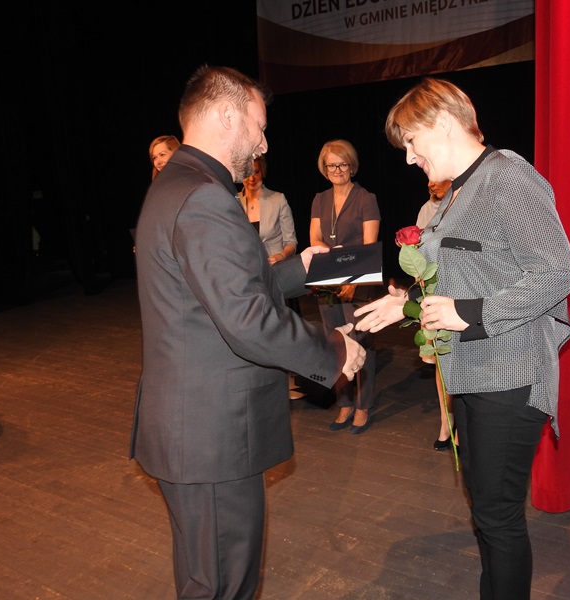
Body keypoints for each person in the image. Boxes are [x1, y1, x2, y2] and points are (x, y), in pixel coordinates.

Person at [131, 65, 366, 600]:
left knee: (206, 580)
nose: (263, 143)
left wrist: (301, 268)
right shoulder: (205, 197)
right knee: (222, 586)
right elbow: (245, 320)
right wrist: (334, 349)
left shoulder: (178, 185)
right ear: (225, 115)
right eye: (258, 127)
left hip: (193, 430)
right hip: (212, 435)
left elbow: (213, 297)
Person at [353, 77, 570, 600]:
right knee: (488, 516)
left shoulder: (507, 176)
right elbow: (461, 277)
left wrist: (469, 313)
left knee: (498, 518)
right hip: (473, 374)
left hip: (511, 375)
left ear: (443, 123)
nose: (409, 158)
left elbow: (557, 272)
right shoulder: (457, 192)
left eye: (412, 141)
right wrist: (405, 304)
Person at [309, 139, 381, 434]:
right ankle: (345, 403)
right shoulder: (320, 198)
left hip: (357, 282)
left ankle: (363, 405)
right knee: (335, 342)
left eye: (342, 164)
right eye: (331, 165)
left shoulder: (366, 198)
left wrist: (351, 278)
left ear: (352, 166)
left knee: (361, 342)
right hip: (328, 282)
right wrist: (336, 271)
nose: (337, 170)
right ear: (324, 169)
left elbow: (369, 244)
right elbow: (315, 239)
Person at [416, 178, 457, 451]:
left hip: (462, 297)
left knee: (461, 363)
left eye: (437, 178)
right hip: (434, 292)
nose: (431, 183)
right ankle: (446, 424)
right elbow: (417, 253)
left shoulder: (468, 203)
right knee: (441, 364)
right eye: (428, 180)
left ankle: (462, 426)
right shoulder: (426, 210)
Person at [239, 155, 297, 266]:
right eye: (247, 173)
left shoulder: (278, 200)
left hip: (274, 267)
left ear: (262, 172)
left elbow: (291, 241)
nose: (251, 178)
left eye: (256, 172)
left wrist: (281, 256)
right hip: (245, 268)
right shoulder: (233, 202)